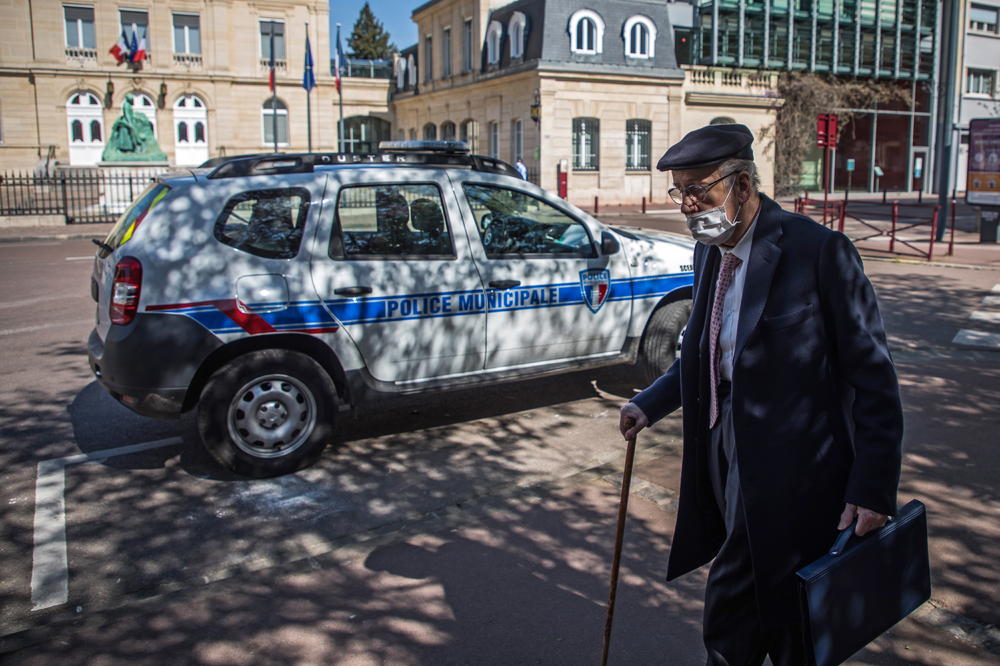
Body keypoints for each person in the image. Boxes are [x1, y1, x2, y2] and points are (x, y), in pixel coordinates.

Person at [618, 124, 903, 665]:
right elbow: (706, 352)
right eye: (680, 192)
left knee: (751, 597)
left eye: (699, 191)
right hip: (724, 443)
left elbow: (873, 377)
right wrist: (649, 403)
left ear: (743, 186)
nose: (688, 206)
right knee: (767, 589)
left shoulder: (819, 252)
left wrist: (873, 487)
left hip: (798, 464)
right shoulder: (710, 251)